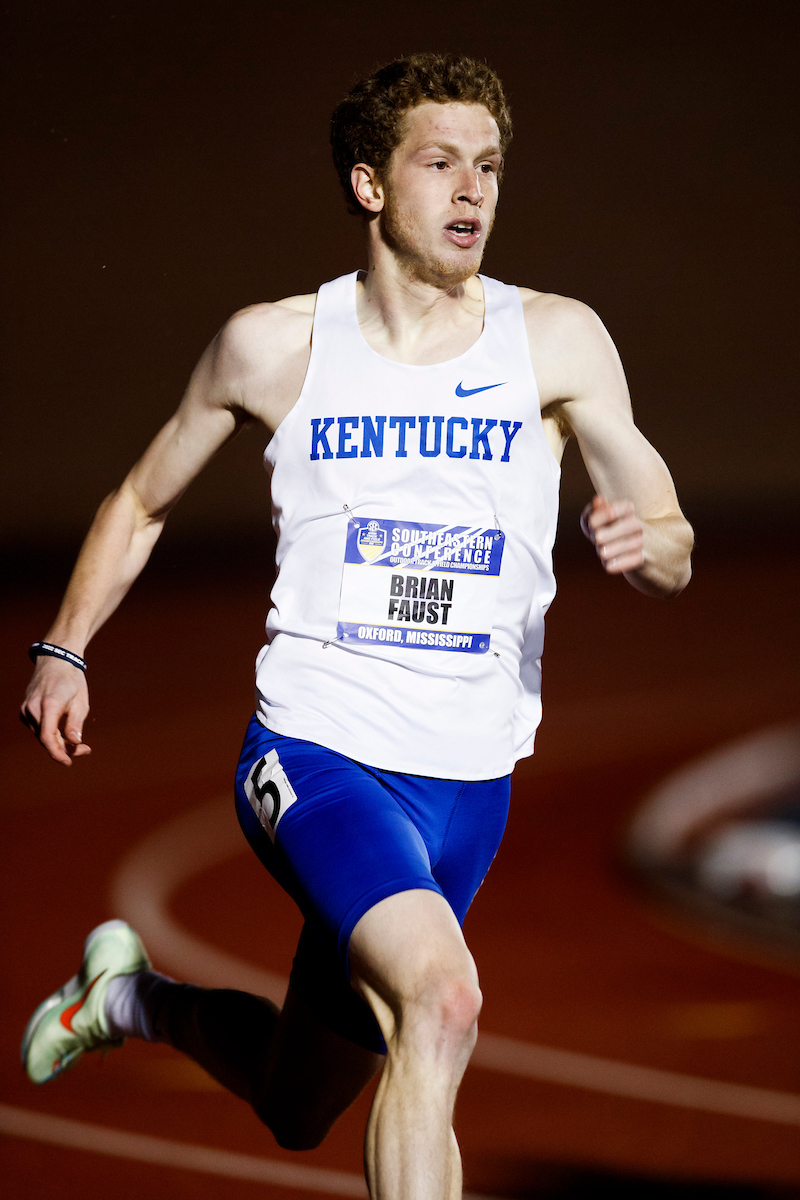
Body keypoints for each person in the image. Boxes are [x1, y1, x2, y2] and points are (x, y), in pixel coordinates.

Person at [19, 52, 693, 1200]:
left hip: (467, 786)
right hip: (315, 750)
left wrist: (647, 549)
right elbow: (139, 500)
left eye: (489, 167)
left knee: (299, 1100)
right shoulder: (274, 346)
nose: (472, 189)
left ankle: (125, 1000)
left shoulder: (554, 341)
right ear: (369, 183)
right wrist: (64, 647)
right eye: (440, 163)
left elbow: (668, 535)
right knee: (441, 999)